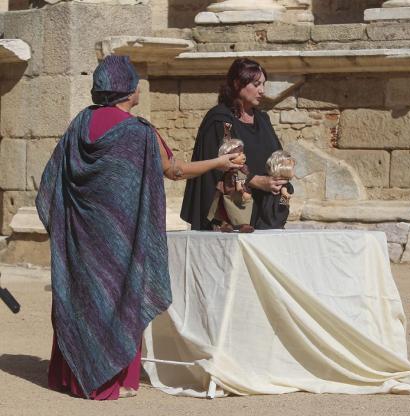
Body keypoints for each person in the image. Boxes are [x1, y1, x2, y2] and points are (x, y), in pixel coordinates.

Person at [35, 55, 240, 400]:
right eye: (135, 81)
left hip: (81, 233)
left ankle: (70, 376)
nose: (139, 86)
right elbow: (174, 170)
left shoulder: (79, 124)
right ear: (127, 89)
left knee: (82, 296)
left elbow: (52, 181)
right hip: (121, 236)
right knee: (119, 299)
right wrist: (220, 162)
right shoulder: (138, 132)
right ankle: (108, 381)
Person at [180, 58, 287, 231]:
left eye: (263, 84)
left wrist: (281, 175)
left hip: (264, 208)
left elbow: (277, 155)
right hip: (231, 209)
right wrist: (256, 181)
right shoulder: (220, 120)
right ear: (238, 83)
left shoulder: (262, 119)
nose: (262, 91)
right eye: (256, 84)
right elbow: (222, 165)